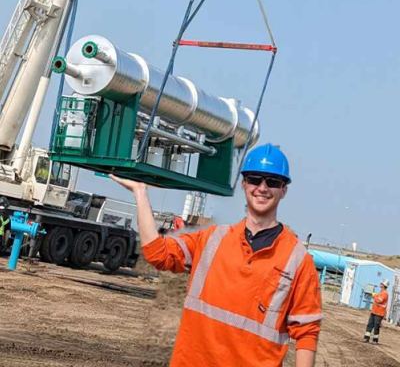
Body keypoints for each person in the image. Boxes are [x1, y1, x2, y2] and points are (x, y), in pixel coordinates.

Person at [111, 143, 322, 367]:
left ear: (284, 190)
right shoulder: (211, 240)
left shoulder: (298, 260)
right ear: (243, 183)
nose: (262, 187)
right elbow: (157, 254)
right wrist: (140, 193)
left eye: (272, 181)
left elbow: (306, 333)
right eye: (254, 179)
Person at [364, 279, 390, 344]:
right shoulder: (381, 292)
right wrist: (375, 295)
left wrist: (374, 295)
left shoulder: (385, 293)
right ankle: (366, 338)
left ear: (384, 285)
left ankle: (375, 340)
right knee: (370, 325)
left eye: (381, 283)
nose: (380, 284)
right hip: (374, 312)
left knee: (376, 326)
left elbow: (379, 301)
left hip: (379, 313)